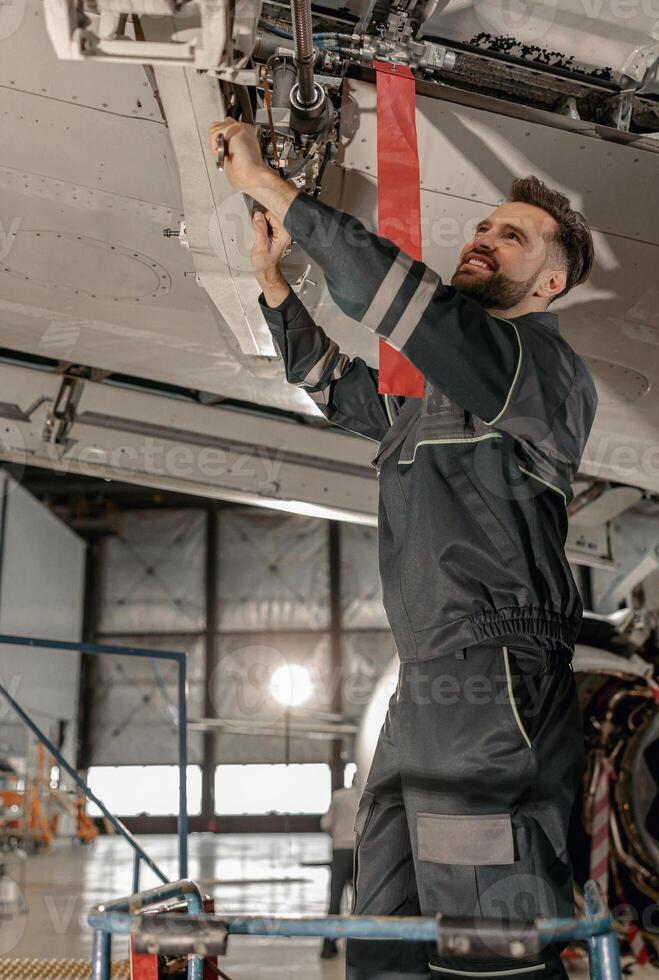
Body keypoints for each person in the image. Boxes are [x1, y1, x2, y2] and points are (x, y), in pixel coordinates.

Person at [210, 118, 597, 980]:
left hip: (497, 674)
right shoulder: (441, 400)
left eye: (512, 236)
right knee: (382, 928)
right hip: (428, 679)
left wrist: (276, 189)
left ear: (551, 281)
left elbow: (399, 298)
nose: (484, 240)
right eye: (484, 228)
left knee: (486, 940)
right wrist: (275, 287)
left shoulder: (535, 368)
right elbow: (337, 389)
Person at [320, 777, 361, 959]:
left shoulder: (338, 796)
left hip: (340, 850)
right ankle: (359, 944)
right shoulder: (368, 796)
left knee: (335, 898)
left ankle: (329, 946)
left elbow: (326, 824)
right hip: (361, 850)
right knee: (362, 898)